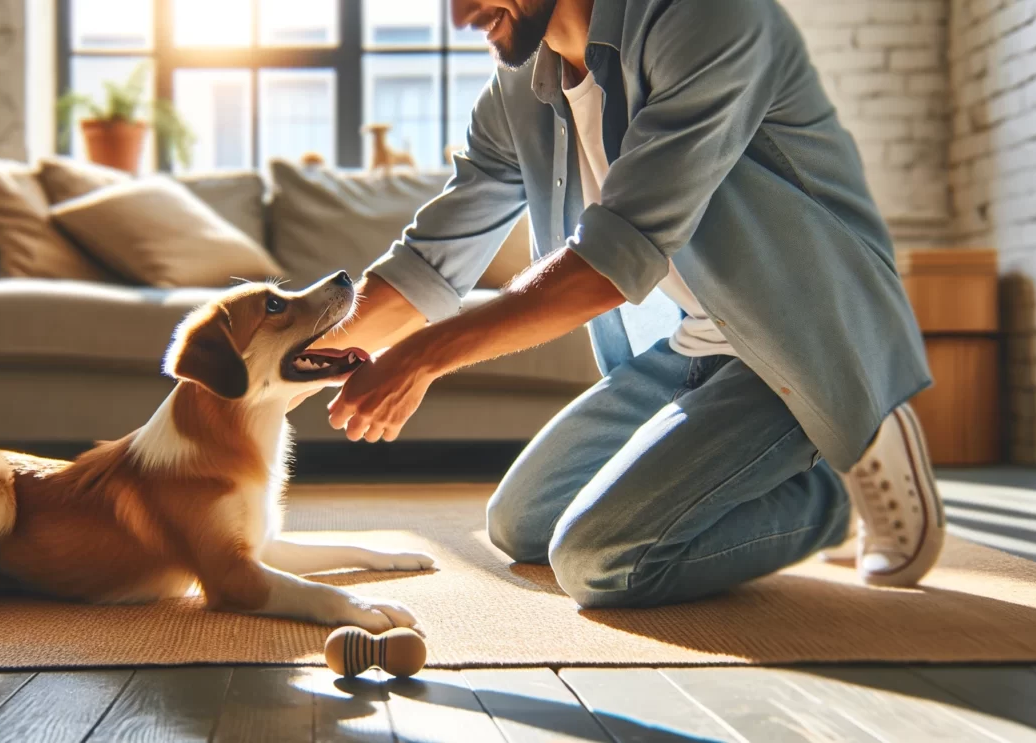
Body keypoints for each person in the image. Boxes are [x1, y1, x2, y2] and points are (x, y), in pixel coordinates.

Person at [295, 0, 944, 608]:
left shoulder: (704, 19)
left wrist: (423, 357)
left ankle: (836, 462)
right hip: (696, 345)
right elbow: (428, 266)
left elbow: (614, 256)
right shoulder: (519, 90)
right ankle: (791, 459)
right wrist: (292, 363)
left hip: (800, 341)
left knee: (596, 559)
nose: (462, 14)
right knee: (518, 523)